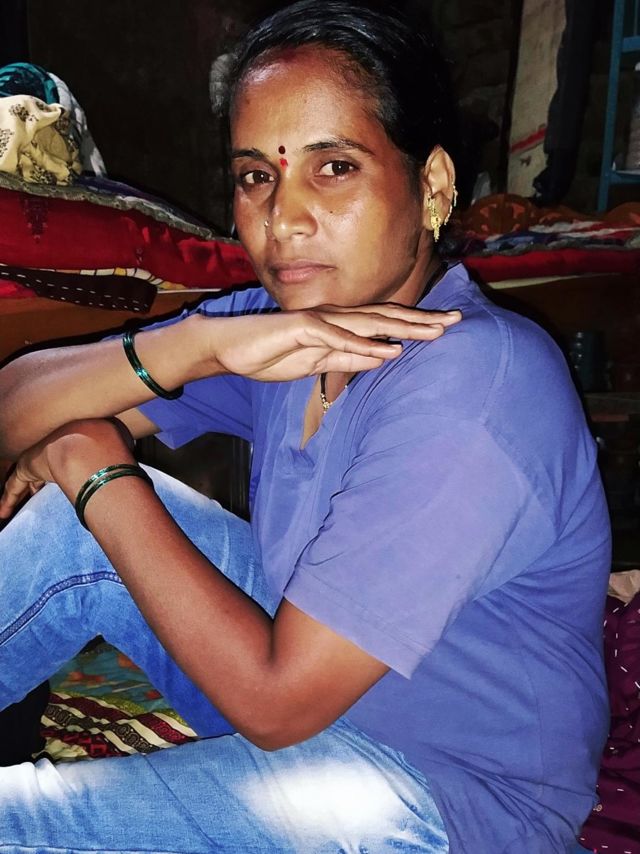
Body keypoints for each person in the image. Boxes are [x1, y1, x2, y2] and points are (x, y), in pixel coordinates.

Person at [0, 2, 609, 852]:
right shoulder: (295, 326)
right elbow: (15, 406)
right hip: (317, 700)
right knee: (78, 526)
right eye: (257, 176)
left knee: (24, 823)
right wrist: (196, 344)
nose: (283, 220)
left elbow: (277, 705)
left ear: (432, 185)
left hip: (449, 799)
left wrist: (94, 468)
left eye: (335, 168)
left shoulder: (475, 384)